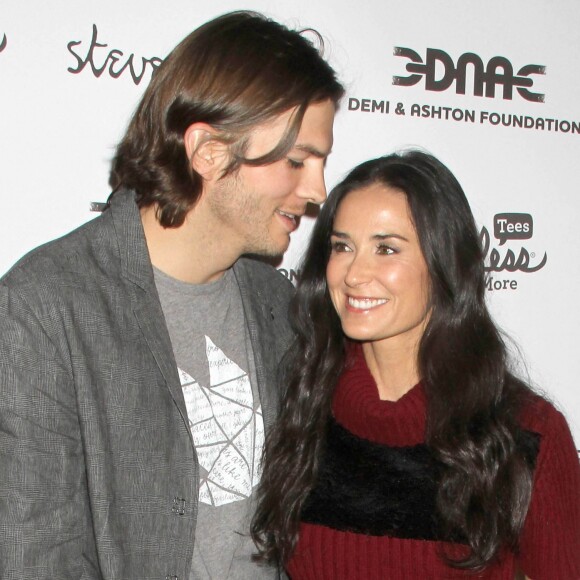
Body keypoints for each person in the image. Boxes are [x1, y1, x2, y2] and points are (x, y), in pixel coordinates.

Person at [0, 11, 343, 579]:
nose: (316, 192)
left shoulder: (277, 306)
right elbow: (34, 556)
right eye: (296, 160)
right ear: (208, 151)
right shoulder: (45, 308)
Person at [252, 150, 580, 579]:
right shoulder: (302, 404)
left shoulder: (527, 433)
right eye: (342, 246)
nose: (353, 273)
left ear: (443, 264)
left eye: (386, 248)